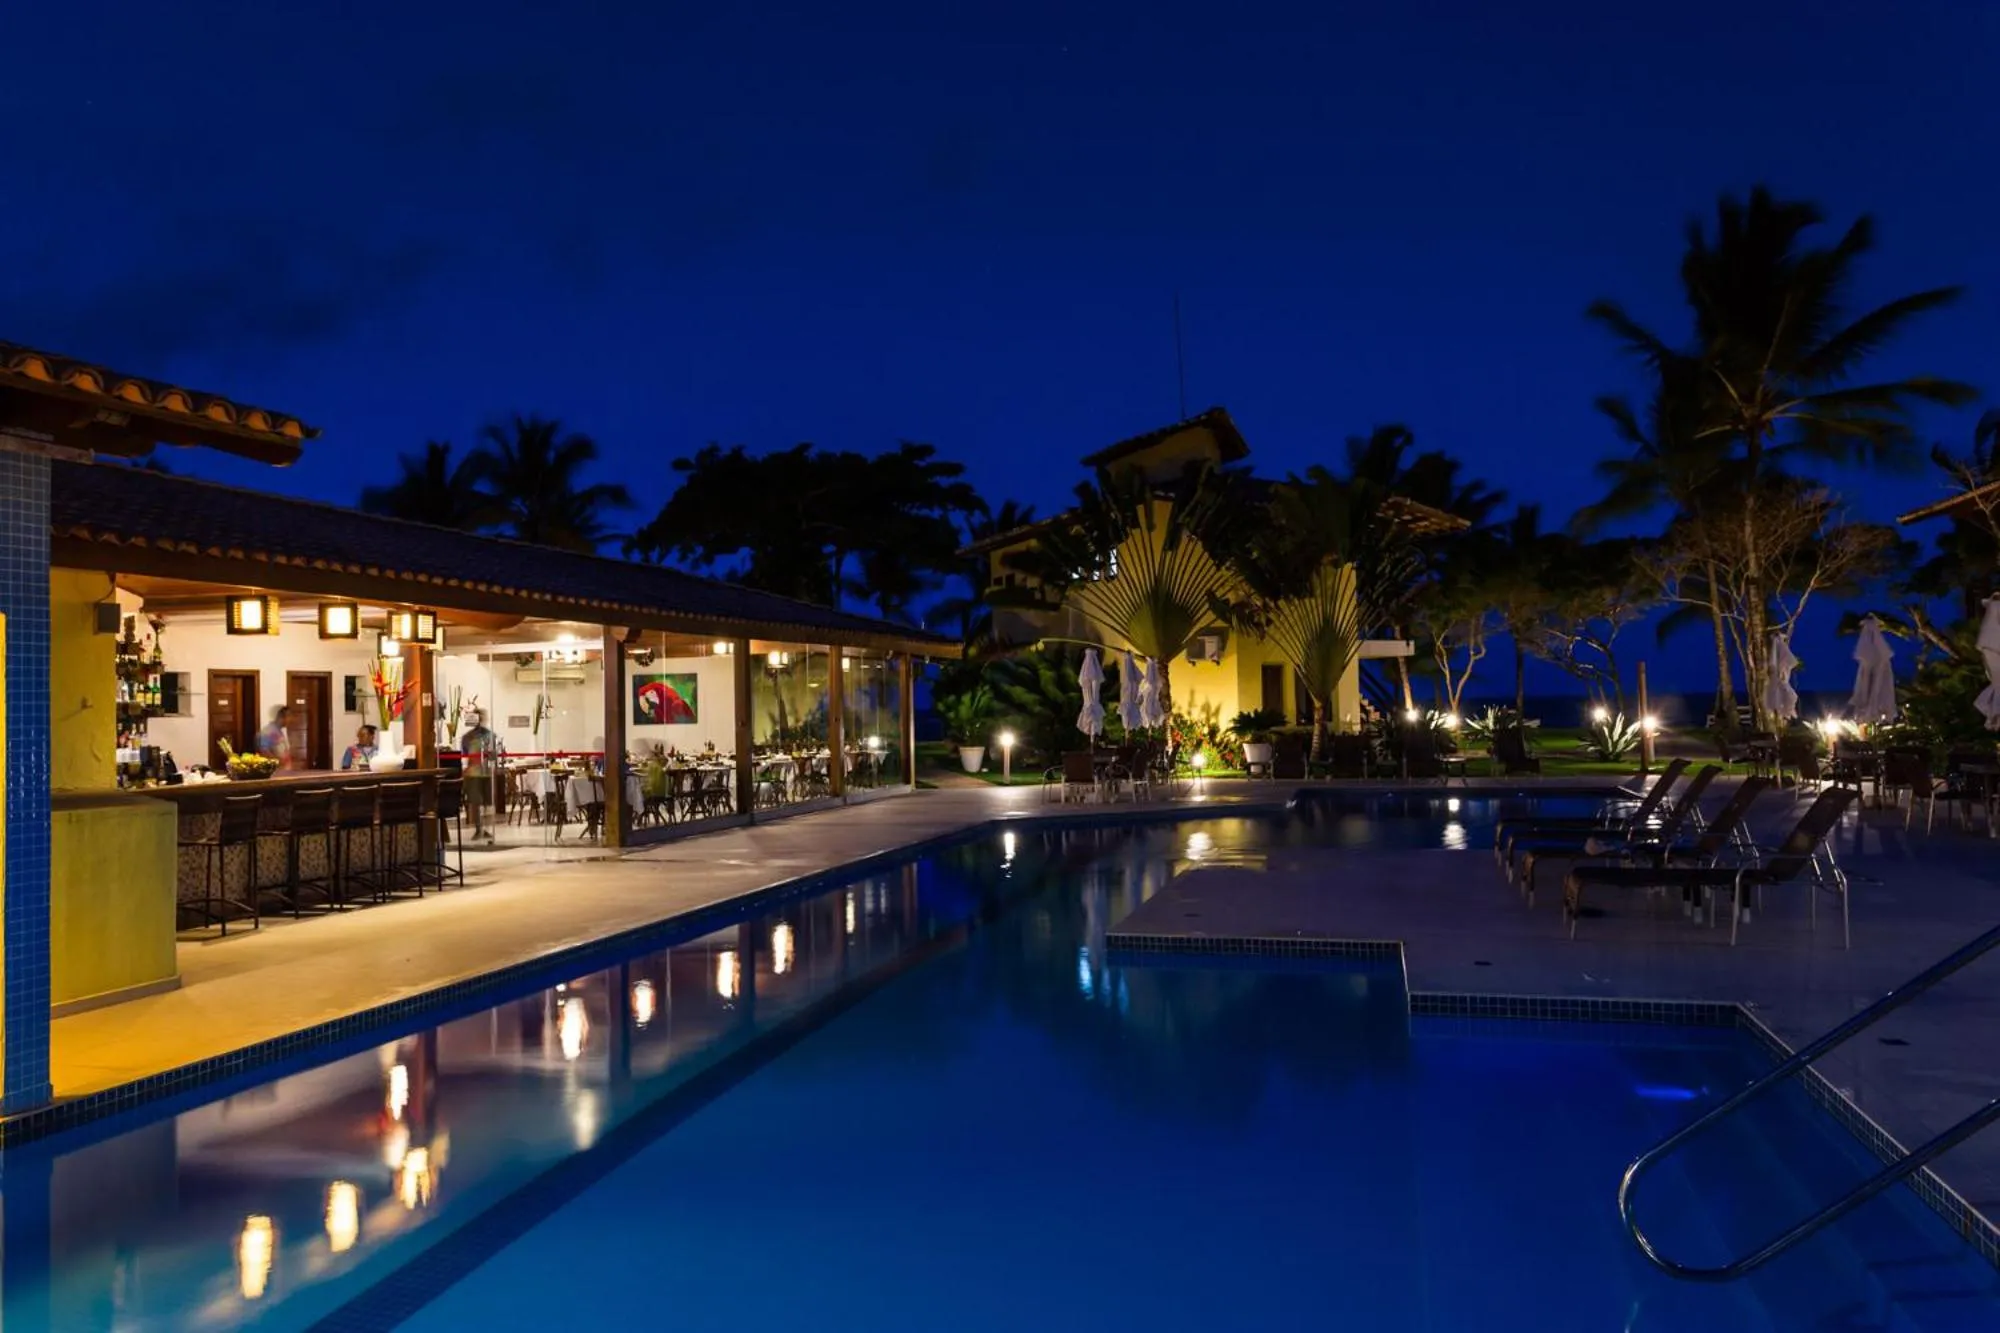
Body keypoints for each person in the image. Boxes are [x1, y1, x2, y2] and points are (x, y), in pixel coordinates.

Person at [459, 709, 498, 841]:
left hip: (487, 773)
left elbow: (494, 755)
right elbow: (464, 756)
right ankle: (478, 828)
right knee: (475, 802)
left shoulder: (490, 735)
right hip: (473, 774)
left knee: (487, 802)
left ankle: (486, 828)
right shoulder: (467, 737)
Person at [256, 704, 294, 769]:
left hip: (284, 772)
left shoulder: (279, 731)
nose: (291, 719)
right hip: (276, 773)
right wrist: (279, 761)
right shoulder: (267, 732)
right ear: (281, 717)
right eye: (289, 716)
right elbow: (263, 752)